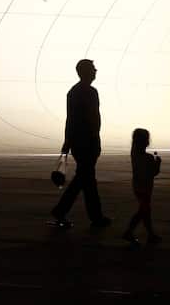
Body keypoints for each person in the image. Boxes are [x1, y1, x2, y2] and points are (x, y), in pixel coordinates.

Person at [49, 59, 111, 229]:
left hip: (78, 142)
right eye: (92, 69)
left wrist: (67, 141)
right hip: (88, 142)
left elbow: (71, 119)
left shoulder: (73, 92)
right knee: (87, 180)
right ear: (85, 72)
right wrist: (95, 140)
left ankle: (65, 211)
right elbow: (92, 119)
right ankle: (94, 217)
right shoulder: (90, 92)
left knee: (84, 179)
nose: (95, 71)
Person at [121, 128, 162, 246]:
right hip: (146, 188)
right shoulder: (147, 158)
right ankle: (129, 232)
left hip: (137, 186)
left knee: (145, 211)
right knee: (143, 211)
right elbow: (154, 172)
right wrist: (158, 163)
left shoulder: (134, 154)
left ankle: (150, 234)